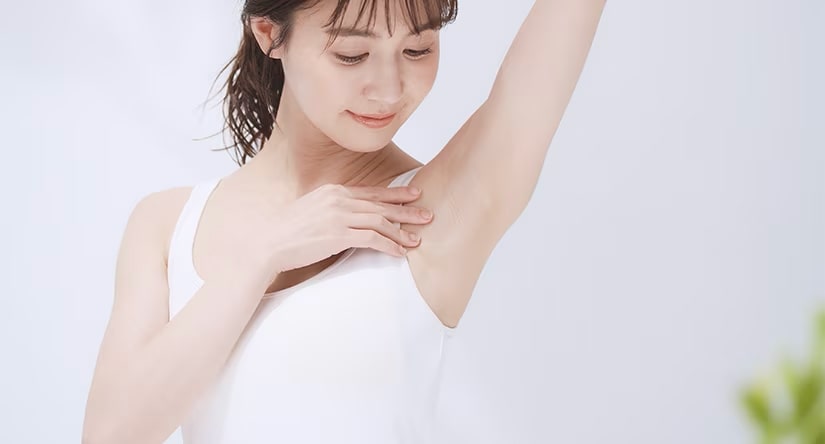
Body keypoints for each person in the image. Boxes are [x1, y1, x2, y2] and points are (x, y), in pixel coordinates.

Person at [82, 0, 606, 442]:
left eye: (418, 49)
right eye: (352, 54)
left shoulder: (432, 214)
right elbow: (110, 435)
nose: (389, 89)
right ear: (269, 33)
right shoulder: (167, 224)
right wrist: (263, 256)